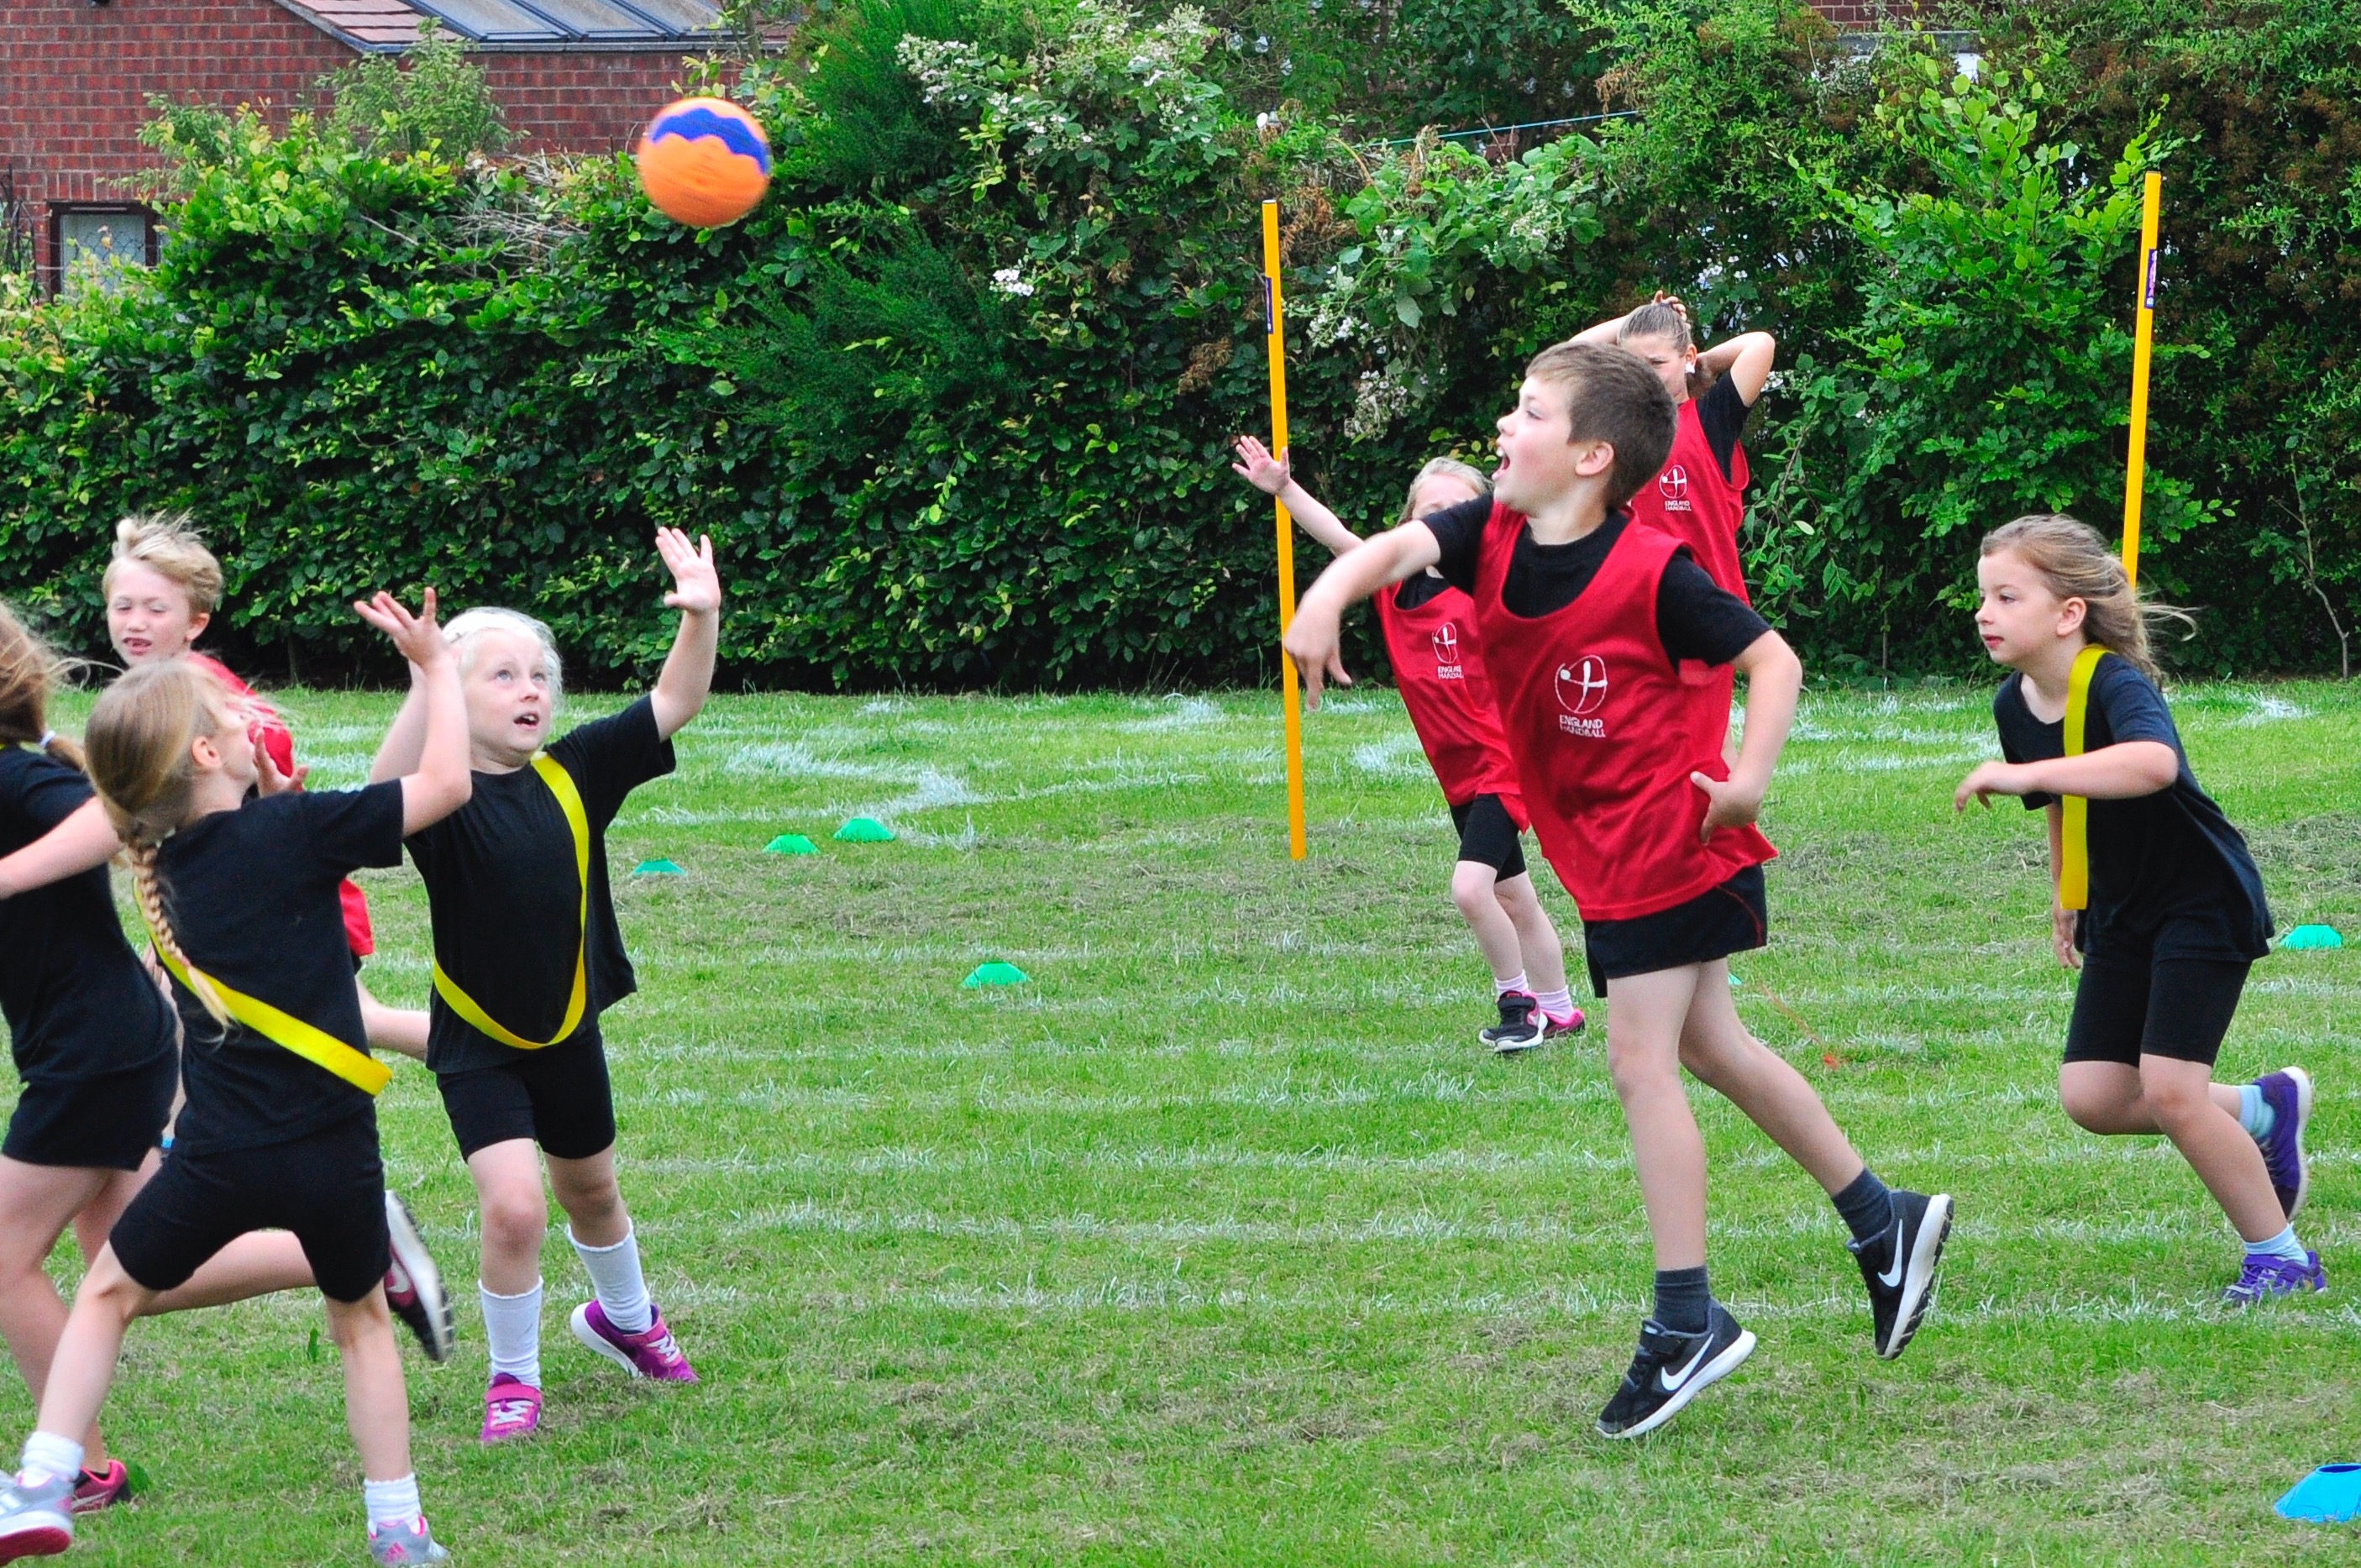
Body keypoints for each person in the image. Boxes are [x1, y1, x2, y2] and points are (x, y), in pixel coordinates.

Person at [1282, 342, 1953, 1439]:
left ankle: (1686, 1319)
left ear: (1590, 457)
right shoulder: (1491, 531)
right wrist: (1323, 599)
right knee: (1713, 1047)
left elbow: (1773, 660)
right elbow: (1393, 547)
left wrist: (1748, 779)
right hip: (1606, 848)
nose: (1504, 426)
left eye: (1529, 411)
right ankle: (1884, 1219)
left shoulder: (1653, 570)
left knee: (1642, 1061)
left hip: (1669, 841)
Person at [0, 588, 471, 1565]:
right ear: (211, 754)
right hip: (337, 1158)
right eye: (237, 716)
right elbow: (447, 785)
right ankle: (398, 1527)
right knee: (361, 1327)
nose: (259, 724)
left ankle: (45, 1475)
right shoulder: (303, 835)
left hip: (218, 1160)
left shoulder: (159, 871)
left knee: (105, 1293)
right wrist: (435, 669)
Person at [370, 529, 721, 1443]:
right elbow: (382, 788)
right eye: (503, 675)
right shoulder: (441, 797)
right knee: (516, 1207)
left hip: (569, 1032)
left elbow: (676, 699)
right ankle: (514, 1378)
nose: (530, 689)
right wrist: (426, 677)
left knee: (593, 1191)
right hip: (476, 1043)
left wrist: (701, 614)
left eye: (540, 676)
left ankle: (626, 1318)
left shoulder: (577, 772)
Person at [1954, 513, 2316, 1303]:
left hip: (2199, 898)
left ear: (2068, 613)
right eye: (1982, 597)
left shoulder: (2114, 681)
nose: (1984, 613)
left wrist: (2021, 776)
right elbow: (2060, 801)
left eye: (2006, 597)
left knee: (2171, 1089)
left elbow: (2152, 764)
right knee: (2091, 1094)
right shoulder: (2014, 704)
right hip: (2119, 909)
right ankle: (2262, 1109)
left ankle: (2281, 1256)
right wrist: (2066, 893)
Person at [1231, 438, 1582, 1051]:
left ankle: (1517, 1006)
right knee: (1514, 896)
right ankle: (1561, 1011)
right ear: (1410, 521)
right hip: (1458, 775)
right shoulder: (1393, 585)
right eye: (1429, 511)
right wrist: (1284, 488)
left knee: (1470, 889)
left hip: (1503, 767)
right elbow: (1340, 540)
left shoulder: (1492, 591)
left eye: (1457, 510)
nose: (1442, 522)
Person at [101, 513, 429, 1062]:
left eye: (156, 609)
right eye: (123, 606)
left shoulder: (212, 705)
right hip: (245, 904)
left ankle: (496, 1061)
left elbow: (258, 790)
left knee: (355, 1021)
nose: (136, 622)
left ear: (195, 624)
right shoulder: (156, 696)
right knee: (182, 1029)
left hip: (286, 905)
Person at [1569, 293, 1775, 600]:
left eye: (1657, 363)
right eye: (1634, 365)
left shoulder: (1710, 419)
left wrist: (1706, 365)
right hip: (1637, 610)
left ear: (1687, 356)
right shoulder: (1616, 426)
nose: (1645, 376)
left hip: (1711, 613)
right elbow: (1570, 355)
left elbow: (1761, 344)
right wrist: (1642, 315)